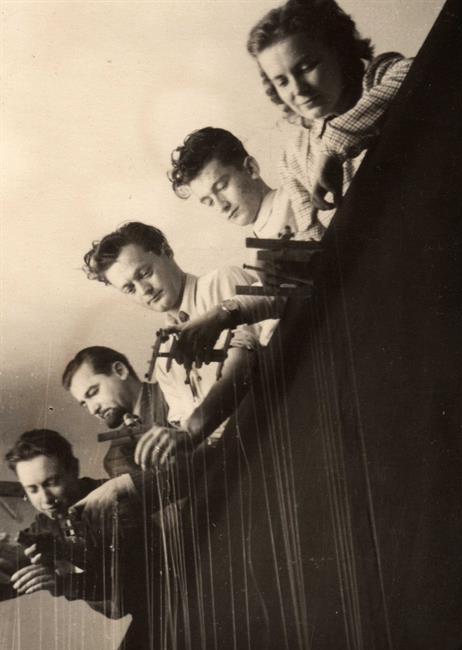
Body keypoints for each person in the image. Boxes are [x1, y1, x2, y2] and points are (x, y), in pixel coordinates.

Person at [82, 221, 281, 468]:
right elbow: (198, 441)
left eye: (144, 274)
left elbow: (244, 366)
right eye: (130, 289)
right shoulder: (164, 357)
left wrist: (191, 431)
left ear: (166, 251)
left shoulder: (221, 281)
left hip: (277, 431)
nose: (144, 291)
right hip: (245, 462)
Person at [246, 0, 412, 238]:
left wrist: (332, 148)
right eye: (282, 82)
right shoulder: (292, 159)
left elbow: (416, 71)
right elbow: (315, 236)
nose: (298, 90)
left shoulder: (383, 76)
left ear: (340, 51)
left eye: (306, 67)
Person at [1, 429, 165, 649]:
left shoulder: (114, 502)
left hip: (173, 605)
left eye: (52, 482)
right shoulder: (47, 522)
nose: (46, 499)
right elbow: (21, 557)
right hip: (143, 616)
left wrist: (64, 584)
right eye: (33, 490)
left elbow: (127, 586)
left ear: (73, 469)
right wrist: (6, 554)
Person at [169, 126, 300, 240]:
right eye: (210, 202)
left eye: (222, 187)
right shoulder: (261, 231)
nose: (221, 206)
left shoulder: (296, 199)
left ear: (251, 168)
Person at [62, 346, 169, 477]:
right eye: (84, 404)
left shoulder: (175, 392)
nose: (92, 410)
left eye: (93, 392)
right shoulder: (114, 458)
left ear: (120, 371)